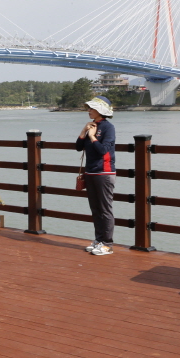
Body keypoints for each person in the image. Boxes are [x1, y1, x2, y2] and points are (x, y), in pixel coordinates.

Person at [77, 96, 116, 256]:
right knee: (95, 209)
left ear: (100, 111)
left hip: (104, 172)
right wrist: (84, 131)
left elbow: (103, 150)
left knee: (105, 209)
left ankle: (107, 244)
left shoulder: (108, 127)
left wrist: (92, 136)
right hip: (90, 172)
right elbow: (78, 147)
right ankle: (99, 240)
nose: (88, 111)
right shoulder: (91, 125)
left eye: (91, 109)